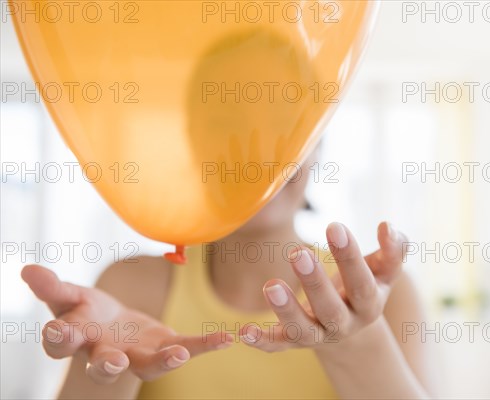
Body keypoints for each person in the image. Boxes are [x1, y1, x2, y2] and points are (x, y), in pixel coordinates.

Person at [21, 147, 436, 399]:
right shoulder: (130, 287)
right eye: (229, 129)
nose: (258, 154)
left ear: (317, 150)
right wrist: (105, 379)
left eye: (286, 129)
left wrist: (354, 342)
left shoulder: (387, 297)